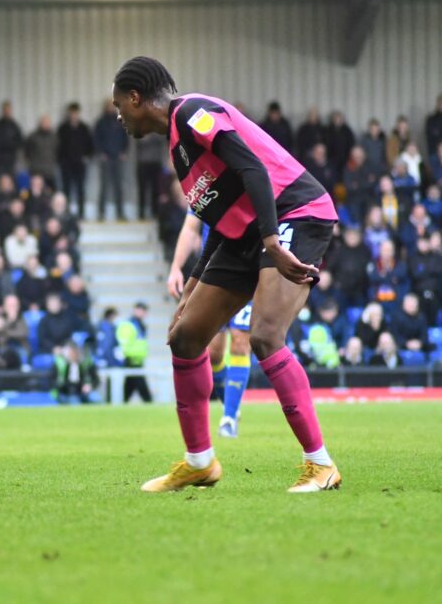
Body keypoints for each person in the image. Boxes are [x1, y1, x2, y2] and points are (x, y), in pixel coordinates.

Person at [113, 56, 340, 493]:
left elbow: (253, 168)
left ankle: (321, 465)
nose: (118, 115)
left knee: (265, 335)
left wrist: (271, 240)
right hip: (245, 232)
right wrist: (192, 286)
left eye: (118, 104)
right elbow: (221, 219)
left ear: (136, 98)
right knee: (186, 336)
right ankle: (199, 462)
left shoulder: (192, 112)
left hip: (294, 211)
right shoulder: (177, 146)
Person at [167, 211, 252, 437]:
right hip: (214, 273)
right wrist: (176, 267)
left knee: (240, 342)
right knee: (213, 353)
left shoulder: (250, 189)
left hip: (248, 270)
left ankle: (229, 418)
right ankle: (231, 404)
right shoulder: (206, 192)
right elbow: (190, 227)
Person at [93, 99, 129, 221]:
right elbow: (96, 139)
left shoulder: (120, 120)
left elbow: (125, 136)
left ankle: (120, 213)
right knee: (104, 186)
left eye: (111, 106)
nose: (110, 108)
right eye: (107, 106)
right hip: (106, 158)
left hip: (118, 157)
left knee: (119, 186)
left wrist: (124, 151)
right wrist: (101, 153)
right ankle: (101, 213)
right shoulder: (100, 122)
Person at [57, 102, 94, 217]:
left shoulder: (84, 128)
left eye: (75, 113)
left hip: (80, 164)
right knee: (66, 189)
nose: (73, 115)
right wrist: (61, 159)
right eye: (72, 113)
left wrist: (87, 157)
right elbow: (58, 146)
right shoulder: (63, 128)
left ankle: (81, 213)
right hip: (66, 164)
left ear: (78, 113)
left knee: (80, 189)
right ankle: (66, 212)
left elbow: (90, 144)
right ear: (69, 113)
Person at [115, 302, 153, 403]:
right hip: (131, 360)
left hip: (137, 360)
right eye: (141, 310)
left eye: (144, 311)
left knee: (128, 388)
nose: (142, 313)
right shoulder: (130, 325)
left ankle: (121, 404)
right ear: (135, 310)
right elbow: (124, 342)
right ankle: (149, 402)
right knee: (142, 389)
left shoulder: (140, 325)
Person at [0, 100, 24, 179]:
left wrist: (10, 145)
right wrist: (2, 145)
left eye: (8, 109)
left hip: (11, 159)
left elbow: (20, 142)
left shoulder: (15, 126)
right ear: (3, 111)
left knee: (11, 180)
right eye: (5, 109)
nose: (7, 111)